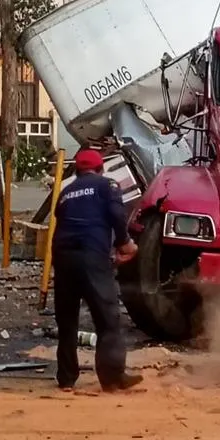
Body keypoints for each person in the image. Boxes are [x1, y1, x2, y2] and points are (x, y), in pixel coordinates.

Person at [52, 148, 142, 392]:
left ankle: (66, 379)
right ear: (100, 168)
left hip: (62, 258)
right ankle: (112, 378)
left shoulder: (66, 192)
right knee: (107, 318)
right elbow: (116, 214)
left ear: (78, 171)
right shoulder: (107, 186)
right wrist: (125, 243)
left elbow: (62, 219)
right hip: (91, 255)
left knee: (67, 320)